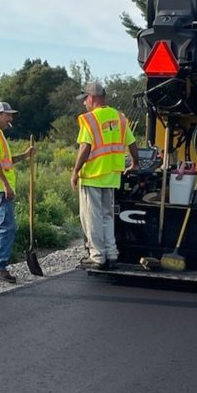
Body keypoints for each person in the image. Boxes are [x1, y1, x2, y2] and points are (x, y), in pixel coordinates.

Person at [71, 81, 138, 270]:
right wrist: (135, 163)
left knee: (91, 217)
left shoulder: (90, 119)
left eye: (85, 99)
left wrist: (75, 171)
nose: (84, 103)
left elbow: (85, 147)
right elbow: (131, 143)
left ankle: (97, 256)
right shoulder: (119, 117)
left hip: (93, 175)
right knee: (107, 216)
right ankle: (111, 253)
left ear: (91, 98)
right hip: (111, 176)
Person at [0, 101, 34, 284]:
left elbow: (5, 161)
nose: (10, 118)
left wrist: (24, 156)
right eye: (7, 115)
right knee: (7, 227)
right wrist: (6, 185)